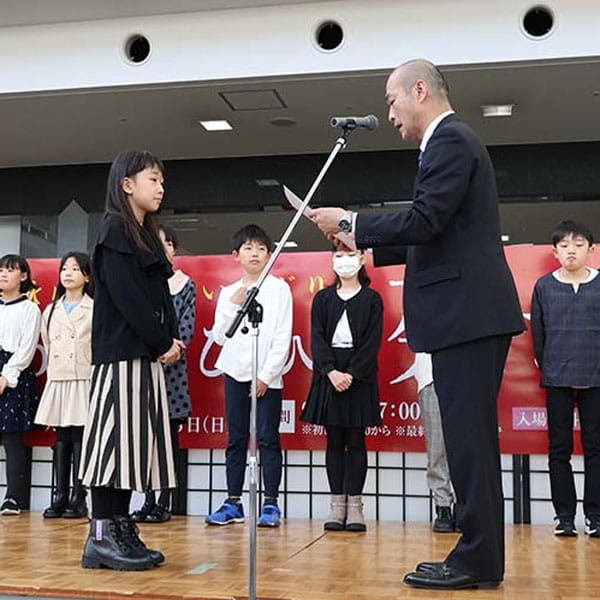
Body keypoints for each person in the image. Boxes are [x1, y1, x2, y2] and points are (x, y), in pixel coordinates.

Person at [311, 59, 525, 590]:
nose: (388, 113)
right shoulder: (448, 143)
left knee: (470, 442)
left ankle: (477, 559)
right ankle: (479, 554)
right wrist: (362, 242)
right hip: (465, 316)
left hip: (467, 317)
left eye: (391, 99)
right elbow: (436, 230)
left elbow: (427, 220)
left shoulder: (450, 140)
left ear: (420, 90)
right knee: (467, 441)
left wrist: (351, 222)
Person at [79, 150, 184, 571]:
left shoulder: (141, 234)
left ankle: (119, 527)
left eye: (161, 180)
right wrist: (162, 341)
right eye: (153, 179)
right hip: (121, 357)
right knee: (110, 450)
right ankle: (100, 537)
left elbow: (158, 294)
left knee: (129, 451)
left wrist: (168, 338)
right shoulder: (115, 230)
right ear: (127, 184)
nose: (160, 188)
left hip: (142, 357)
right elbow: (128, 300)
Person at [205, 224, 292, 528]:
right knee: (236, 438)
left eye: (260, 248)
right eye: (248, 248)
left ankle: (270, 503)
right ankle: (233, 502)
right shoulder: (229, 292)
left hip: (268, 377)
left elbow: (283, 335)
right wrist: (231, 306)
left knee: (268, 439)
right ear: (236, 255)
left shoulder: (280, 289)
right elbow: (218, 337)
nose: (254, 254)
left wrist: (267, 376)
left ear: (269, 254)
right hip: (235, 373)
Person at [300, 248, 382, 532]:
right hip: (329, 373)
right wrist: (331, 371)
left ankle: (356, 508)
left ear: (362, 260)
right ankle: (337, 507)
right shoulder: (322, 298)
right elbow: (317, 337)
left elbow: (373, 341)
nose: (344, 260)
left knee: (357, 440)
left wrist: (352, 373)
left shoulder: (372, 299)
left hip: (359, 376)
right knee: (334, 440)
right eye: (339, 255)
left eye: (351, 254)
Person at [530, 220, 600, 539]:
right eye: (565, 245)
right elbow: (538, 334)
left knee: (595, 447)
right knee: (559, 449)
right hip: (556, 376)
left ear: (591, 249)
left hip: (596, 375)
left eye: (579, 244)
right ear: (555, 251)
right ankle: (565, 517)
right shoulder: (544, 286)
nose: (571, 250)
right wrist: (549, 366)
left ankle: (595, 516)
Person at [131, 224, 196, 523]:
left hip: (173, 369)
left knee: (168, 437)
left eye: (169, 243)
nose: (164, 248)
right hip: (144, 365)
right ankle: (146, 500)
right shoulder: (141, 282)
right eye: (158, 243)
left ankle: (165, 502)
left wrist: (167, 347)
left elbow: (187, 328)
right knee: (146, 437)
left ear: (175, 250)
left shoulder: (186, 284)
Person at [35, 252, 94, 519]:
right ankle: (59, 494)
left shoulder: (95, 308)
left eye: (75, 268)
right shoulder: (50, 310)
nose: (68, 273)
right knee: (61, 436)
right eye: (65, 268)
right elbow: (48, 343)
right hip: (59, 378)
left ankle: (79, 496)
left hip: (83, 376)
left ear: (87, 276)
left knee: (80, 435)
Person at [0, 255, 41, 515]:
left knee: (12, 436)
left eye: (10, 270)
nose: (4, 274)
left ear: (23, 277)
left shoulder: (30, 309)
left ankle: (13, 497)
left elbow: (27, 349)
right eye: (1, 269)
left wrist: (6, 376)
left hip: (13, 373)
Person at [414, 352, 456, 532]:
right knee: (437, 448)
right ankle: (443, 506)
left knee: (467, 448)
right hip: (431, 376)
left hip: (467, 378)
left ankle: (464, 504)